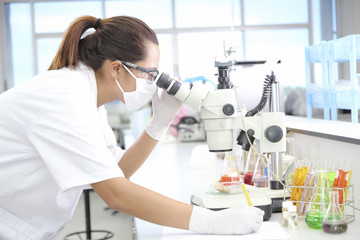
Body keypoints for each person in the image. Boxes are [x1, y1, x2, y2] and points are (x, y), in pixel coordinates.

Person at [0, 15, 264, 239]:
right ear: (116, 68)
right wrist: (210, 222)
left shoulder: (88, 99)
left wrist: (159, 124)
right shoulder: (65, 99)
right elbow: (115, 194)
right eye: (150, 74)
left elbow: (118, 171)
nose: (153, 82)